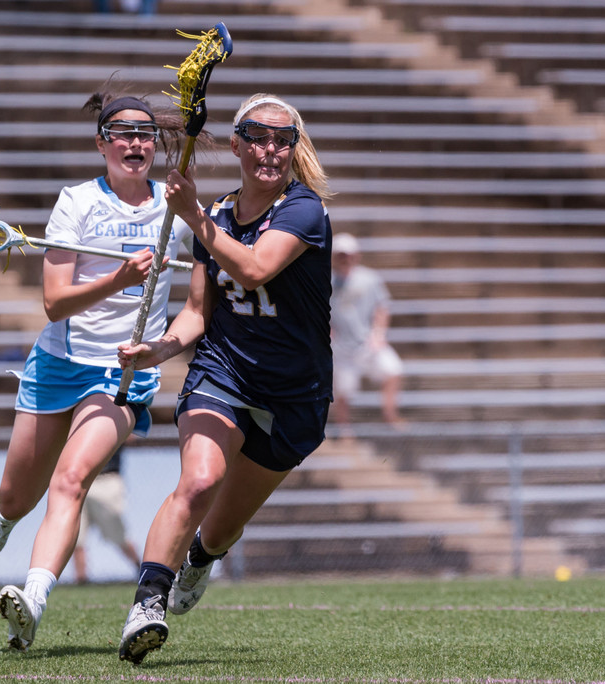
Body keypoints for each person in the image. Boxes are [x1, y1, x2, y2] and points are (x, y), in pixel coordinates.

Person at [0, 85, 195, 653]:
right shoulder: (76, 203)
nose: (135, 143)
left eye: (145, 134)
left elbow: (204, 291)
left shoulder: (176, 210)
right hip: (58, 362)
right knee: (18, 495)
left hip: (120, 375)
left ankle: (33, 600)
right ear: (102, 143)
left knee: (71, 480)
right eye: (123, 134)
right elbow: (54, 303)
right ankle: (5, 514)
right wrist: (120, 279)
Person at [115, 93, 334, 664]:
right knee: (199, 482)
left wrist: (193, 218)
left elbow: (255, 267)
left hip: (295, 393)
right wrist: (159, 349)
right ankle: (147, 604)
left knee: (219, 529)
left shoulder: (304, 211)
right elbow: (197, 312)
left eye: (282, 140)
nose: (270, 150)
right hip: (224, 371)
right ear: (236, 145)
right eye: (258, 138)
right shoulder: (214, 213)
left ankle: (202, 557)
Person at [330, 232, 405, 431]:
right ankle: (345, 431)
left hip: (367, 341)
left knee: (393, 370)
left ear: (356, 255)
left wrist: (378, 333)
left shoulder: (369, 278)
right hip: (341, 347)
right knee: (343, 392)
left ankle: (390, 416)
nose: (345, 259)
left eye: (348, 255)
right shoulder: (326, 281)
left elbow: (382, 307)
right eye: (341, 255)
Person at [71, 444, 141, 584]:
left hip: (107, 480)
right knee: (75, 537)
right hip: (78, 481)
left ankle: (143, 571)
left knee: (119, 536)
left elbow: (132, 436)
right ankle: (81, 581)